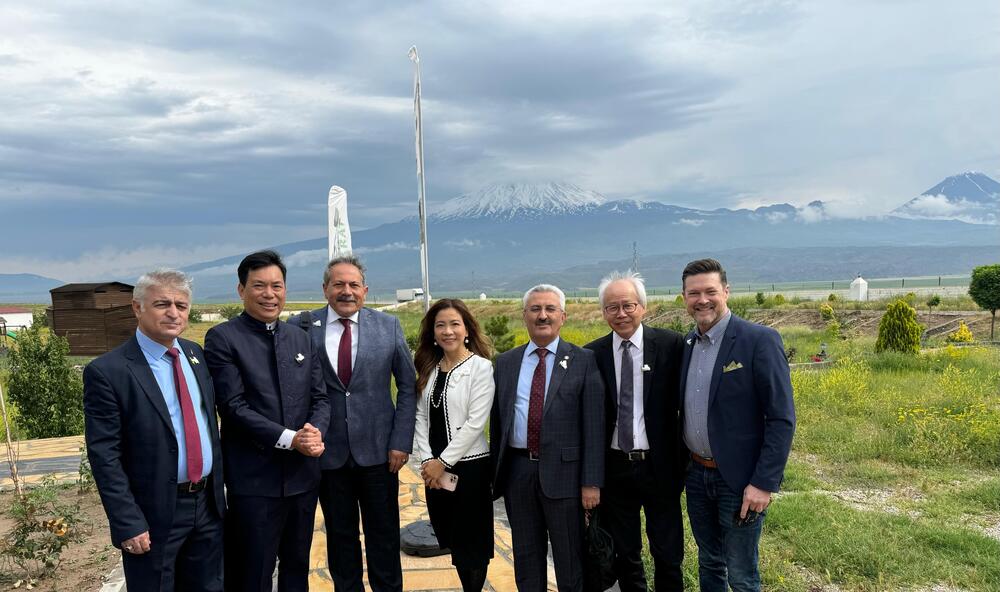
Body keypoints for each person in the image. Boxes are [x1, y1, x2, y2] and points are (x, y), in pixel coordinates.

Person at [84, 269, 225, 591]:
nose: (174, 313)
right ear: (138, 307)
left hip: (206, 506)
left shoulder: (194, 355)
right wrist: (127, 521)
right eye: (162, 304)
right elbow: (105, 455)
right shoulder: (109, 372)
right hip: (152, 513)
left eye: (182, 305)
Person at [288, 255, 417, 592]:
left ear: (365, 290)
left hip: (380, 453)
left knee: (384, 535)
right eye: (339, 284)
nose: (346, 291)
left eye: (353, 285)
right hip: (328, 454)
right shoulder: (302, 327)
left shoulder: (388, 326)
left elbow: (407, 386)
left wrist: (401, 440)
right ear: (325, 289)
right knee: (340, 535)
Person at [204, 250, 329, 592]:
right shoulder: (223, 338)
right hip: (254, 482)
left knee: (296, 567)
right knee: (253, 572)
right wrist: (291, 439)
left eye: (277, 286)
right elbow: (233, 406)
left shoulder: (300, 338)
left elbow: (319, 397)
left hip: (303, 479)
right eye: (259, 286)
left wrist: (316, 432)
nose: (269, 294)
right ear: (241, 290)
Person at [679, 259, 795, 592]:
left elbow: (781, 417)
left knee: (742, 573)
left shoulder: (758, 340)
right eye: (694, 293)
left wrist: (764, 483)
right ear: (684, 297)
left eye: (710, 291)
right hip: (698, 477)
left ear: (726, 292)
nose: (702, 300)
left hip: (740, 481)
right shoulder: (687, 345)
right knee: (709, 561)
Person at [490, 284, 604, 592]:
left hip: (566, 474)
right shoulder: (506, 362)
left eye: (550, 309)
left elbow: (594, 424)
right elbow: (498, 422)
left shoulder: (583, 360)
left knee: (569, 558)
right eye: (535, 309)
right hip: (518, 471)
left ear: (563, 316)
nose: (543, 316)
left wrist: (591, 481)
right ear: (524, 316)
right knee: (526, 557)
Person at [584, 270, 687, 591]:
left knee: (668, 552)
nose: (621, 314)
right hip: (615, 468)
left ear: (643, 307)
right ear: (603, 312)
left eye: (628, 305)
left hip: (661, 466)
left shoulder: (671, 345)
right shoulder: (591, 355)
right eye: (612, 307)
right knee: (626, 553)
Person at [412, 299, 495, 592]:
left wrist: (441, 462)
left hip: (470, 468)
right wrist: (426, 461)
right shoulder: (428, 367)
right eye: (440, 325)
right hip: (434, 470)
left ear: (467, 330)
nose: (448, 331)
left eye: (454, 324)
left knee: (471, 541)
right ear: (433, 333)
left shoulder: (481, 368)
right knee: (450, 535)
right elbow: (420, 416)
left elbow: (476, 422)